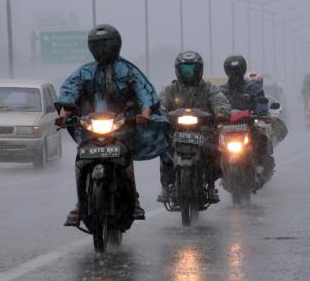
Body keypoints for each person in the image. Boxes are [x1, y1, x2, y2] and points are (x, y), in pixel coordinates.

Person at [55, 24, 168, 225]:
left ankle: (133, 198)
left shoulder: (128, 70)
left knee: (124, 153)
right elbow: (70, 92)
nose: (102, 51)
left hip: (123, 125)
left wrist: (145, 113)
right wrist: (64, 114)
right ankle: (81, 202)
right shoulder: (85, 72)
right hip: (91, 126)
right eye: (97, 47)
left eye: (106, 46)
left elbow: (145, 93)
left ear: (116, 46)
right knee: (81, 155)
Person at [157, 51, 231, 203]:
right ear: (178, 70)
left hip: (203, 130)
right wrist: (159, 115)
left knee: (214, 150)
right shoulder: (170, 89)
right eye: (185, 70)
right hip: (176, 130)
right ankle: (165, 187)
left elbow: (220, 101)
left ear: (200, 70)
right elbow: (160, 104)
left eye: (192, 69)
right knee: (164, 150)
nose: (189, 73)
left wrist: (220, 113)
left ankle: (210, 185)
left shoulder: (208, 88)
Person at [219, 55, 287, 184]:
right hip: (226, 128)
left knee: (262, 139)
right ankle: (213, 175)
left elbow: (260, 102)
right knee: (210, 146)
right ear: (227, 71)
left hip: (248, 125)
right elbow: (214, 104)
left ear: (243, 70)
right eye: (232, 70)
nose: (235, 74)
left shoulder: (253, 88)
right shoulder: (221, 90)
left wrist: (259, 111)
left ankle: (259, 166)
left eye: (238, 70)